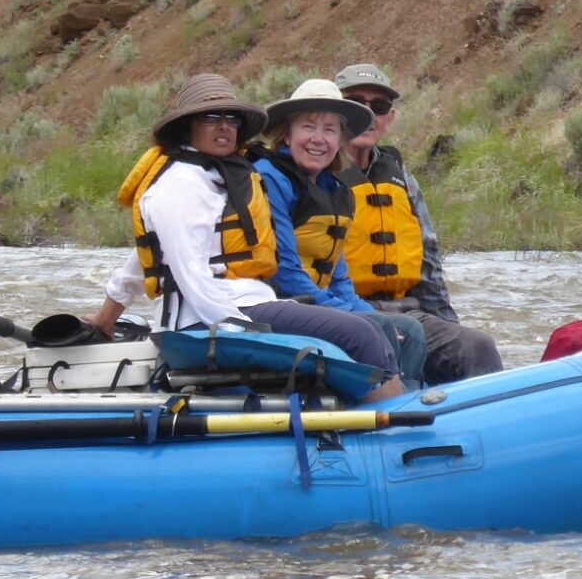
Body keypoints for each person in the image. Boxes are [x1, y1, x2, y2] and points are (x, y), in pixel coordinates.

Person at [86, 73, 407, 403]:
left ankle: (378, 414)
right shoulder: (178, 185)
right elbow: (190, 276)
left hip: (242, 308)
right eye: (212, 117)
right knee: (361, 334)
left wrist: (105, 317)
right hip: (202, 325)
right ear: (187, 126)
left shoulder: (216, 177)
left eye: (231, 118)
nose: (224, 126)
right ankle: (399, 425)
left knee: (366, 329)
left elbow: (144, 258)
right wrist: (242, 330)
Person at [334, 62, 504, 384]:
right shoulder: (316, 171)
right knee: (401, 348)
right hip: (345, 312)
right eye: (356, 103)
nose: (369, 114)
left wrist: (449, 323)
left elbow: (428, 259)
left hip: (407, 311)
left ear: (390, 118)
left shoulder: (400, 176)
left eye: (379, 106)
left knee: (476, 346)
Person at [250, 78, 427, 384]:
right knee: (377, 328)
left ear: (340, 140)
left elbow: (339, 277)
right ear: (287, 134)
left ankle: (408, 402)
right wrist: (353, 316)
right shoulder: (269, 178)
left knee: (408, 329)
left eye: (330, 130)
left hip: (315, 305)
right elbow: (287, 275)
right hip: (278, 305)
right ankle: (392, 407)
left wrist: (360, 311)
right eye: (308, 126)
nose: (318, 139)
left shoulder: (334, 188)